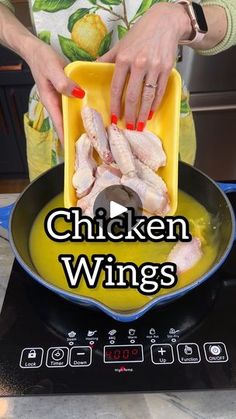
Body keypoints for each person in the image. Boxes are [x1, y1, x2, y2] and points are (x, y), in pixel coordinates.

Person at [0, 0, 236, 180]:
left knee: (159, 224)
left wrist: (181, 18)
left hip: (155, 110)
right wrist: (29, 47)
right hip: (59, 104)